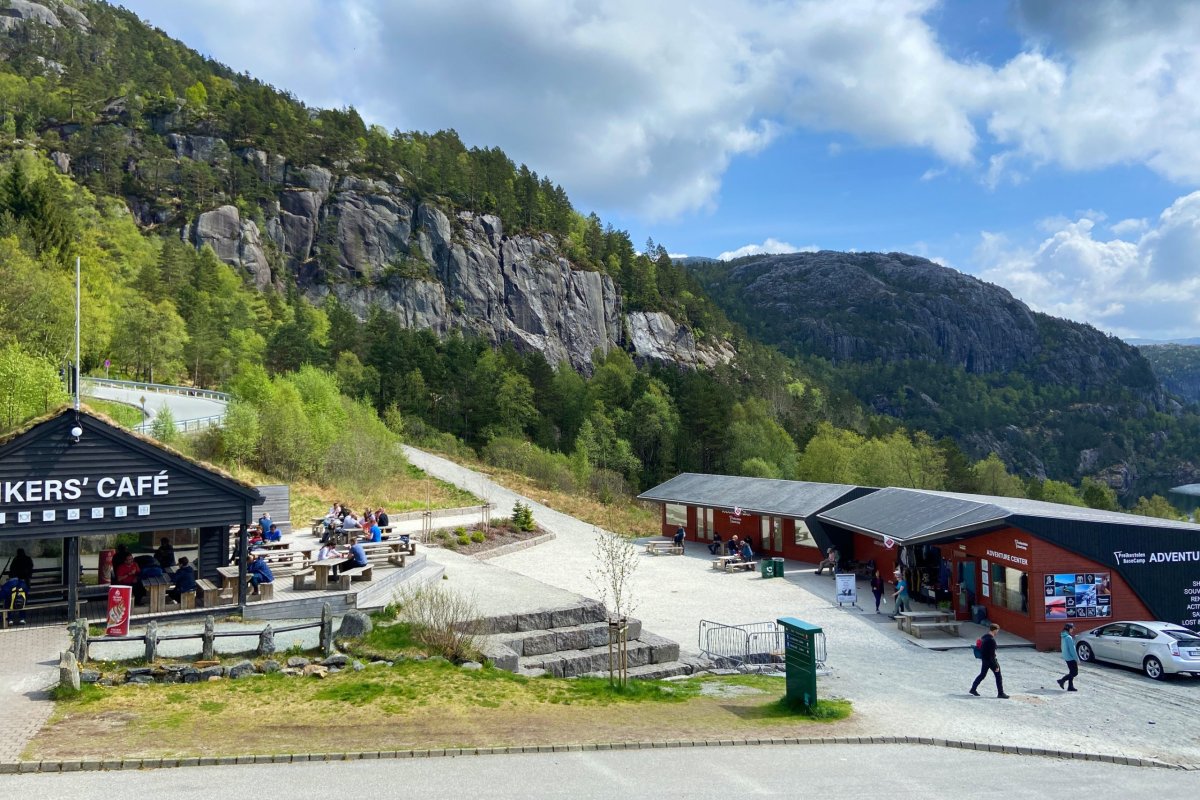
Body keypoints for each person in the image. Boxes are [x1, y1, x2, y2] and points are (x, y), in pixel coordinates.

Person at [969, 623, 1009, 699]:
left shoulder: (984, 637)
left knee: (982, 675)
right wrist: (995, 666)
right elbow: (991, 654)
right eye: (997, 630)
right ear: (994, 630)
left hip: (984, 659)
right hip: (990, 660)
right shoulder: (991, 640)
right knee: (998, 676)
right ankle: (1000, 693)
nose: (997, 632)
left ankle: (973, 689)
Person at [1057, 622, 1079, 692]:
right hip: (1071, 657)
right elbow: (1072, 649)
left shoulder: (1063, 635)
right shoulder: (1068, 637)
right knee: (1075, 673)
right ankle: (1062, 680)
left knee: (1071, 672)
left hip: (1066, 656)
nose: (1072, 630)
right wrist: (1076, 658)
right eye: (1072, 628)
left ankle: (1070, 686)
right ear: (1069, 629)